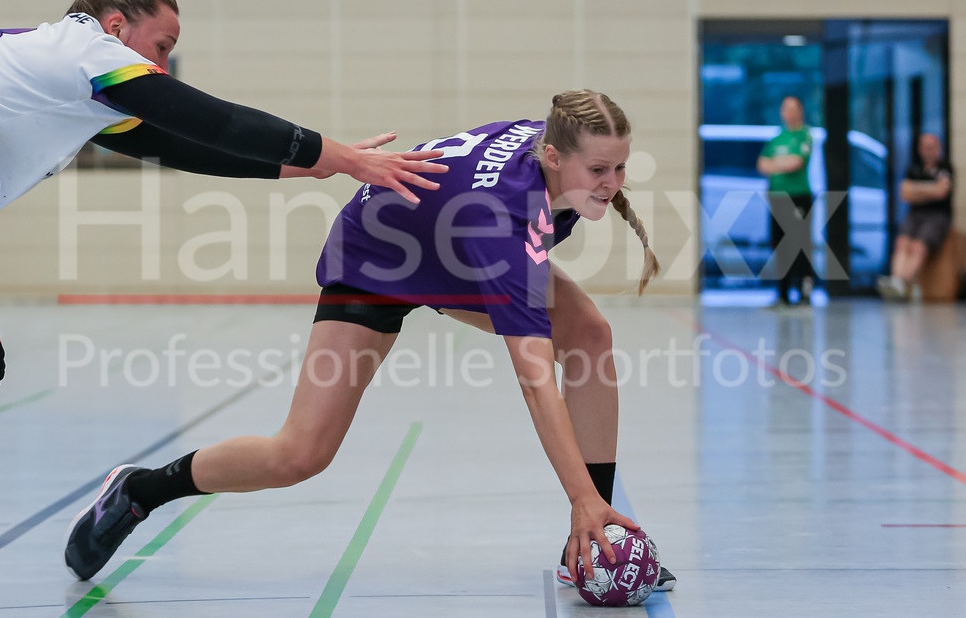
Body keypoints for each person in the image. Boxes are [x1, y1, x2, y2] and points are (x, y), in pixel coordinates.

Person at [0, 0, 446, 595]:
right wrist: (340, 156)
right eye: (162, 45)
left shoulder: (77, 82)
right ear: (117, 26)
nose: (162, 64)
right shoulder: (85, 57)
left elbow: (180, 145)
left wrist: (314, 167)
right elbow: (210, 118)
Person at [64, 89, 677, 593]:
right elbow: (535, 379)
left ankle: (593, 543)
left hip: (447, 246)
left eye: (621, 167)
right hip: (377, 258)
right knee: (299, 454)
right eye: (598, 170)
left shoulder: (552, 150)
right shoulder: (501, 222)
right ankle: (141, 489)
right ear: (550, 155)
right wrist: (577, 496)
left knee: (590, 333)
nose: (611, 182)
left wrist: (583, 502)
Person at [877, 133, 955, 301]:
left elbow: (942, 192)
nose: (928, 151)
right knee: (902, 243)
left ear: (938, 148)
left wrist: (917, 190)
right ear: (920, 149)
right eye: (925, 147)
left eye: (932, 147)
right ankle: (896, 281)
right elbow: (905, 193)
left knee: (918, 246)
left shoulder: (945, 167)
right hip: (915, 215)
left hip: (937, 216)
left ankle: (901, 283)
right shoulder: (913, 168)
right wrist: (931, 188)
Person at [757, 96, 815, 306]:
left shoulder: (804, 135)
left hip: (798, 197)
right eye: (785, 109)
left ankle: (804, 293)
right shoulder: (777, 138)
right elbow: (762, 164)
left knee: (799, 244)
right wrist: (781, 162)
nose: (788, 113)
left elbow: (796, 162)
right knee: (780, 245)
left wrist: (776, 163)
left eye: (793, 108)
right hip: (777, 199)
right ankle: (782, 295)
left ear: (800, 111)